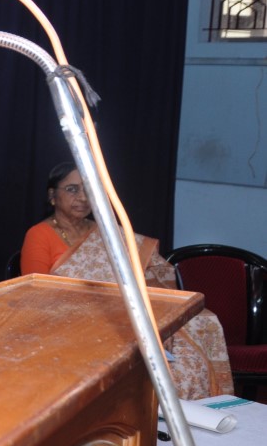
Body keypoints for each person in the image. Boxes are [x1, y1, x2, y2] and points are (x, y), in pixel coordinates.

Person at [20, 162, 234, 400]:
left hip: (119, 315)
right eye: (72, 189)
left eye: (89, 189)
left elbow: (145, 273)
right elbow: (36, 295)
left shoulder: (107, 231)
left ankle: (191, 407)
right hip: (69, 322)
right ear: (52, 195)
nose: (82, 197)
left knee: (198, 324)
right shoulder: (39, 235)